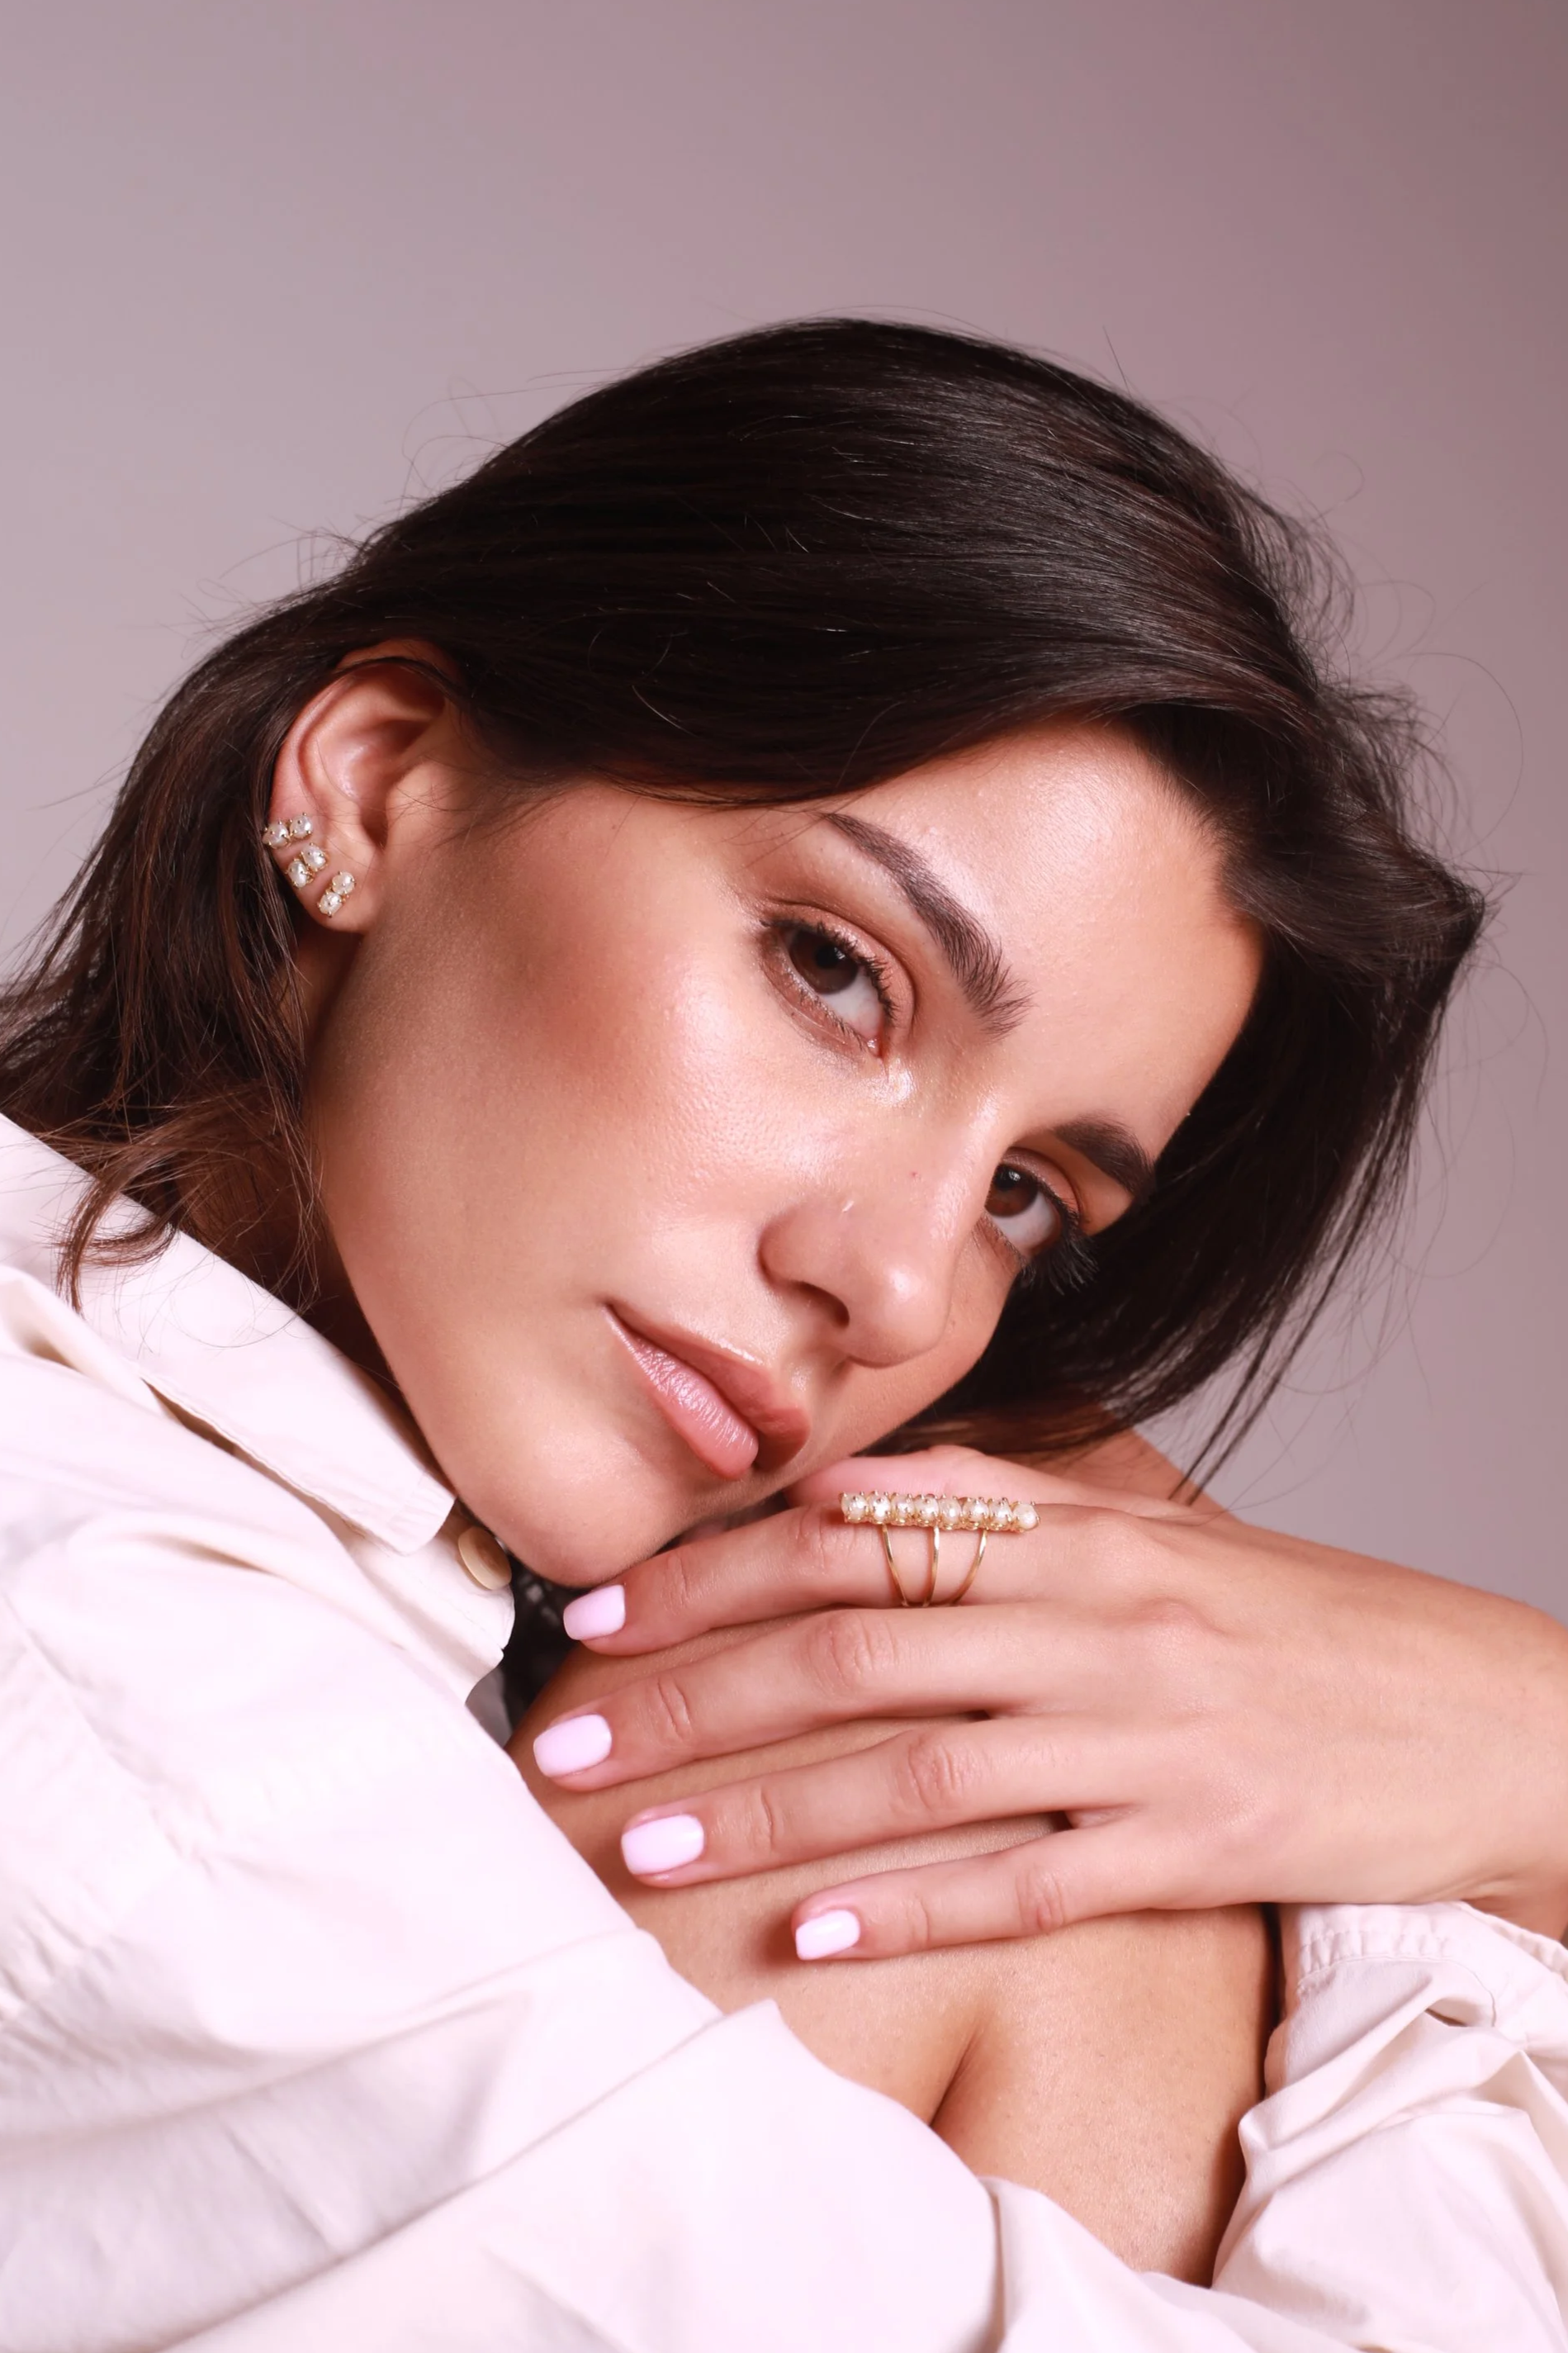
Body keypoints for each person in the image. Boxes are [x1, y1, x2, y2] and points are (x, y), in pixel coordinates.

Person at [0, 318, 1565, 2351]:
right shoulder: (108, 1662)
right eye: (839, 974)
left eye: (1028, 1194)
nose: (899, 1288)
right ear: (376, 782)